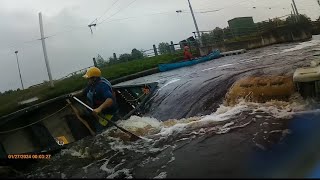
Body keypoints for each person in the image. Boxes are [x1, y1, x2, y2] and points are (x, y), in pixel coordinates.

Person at [82, 67, 118, 133]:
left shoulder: (102, 86)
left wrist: (99, 109)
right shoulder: (91, 85)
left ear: (94, 78)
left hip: (109, 114)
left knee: (100, 132)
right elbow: (84, 92)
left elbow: (110, 100)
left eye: (88, 79)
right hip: (100, 113)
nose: (87, 80)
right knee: (86, 114)